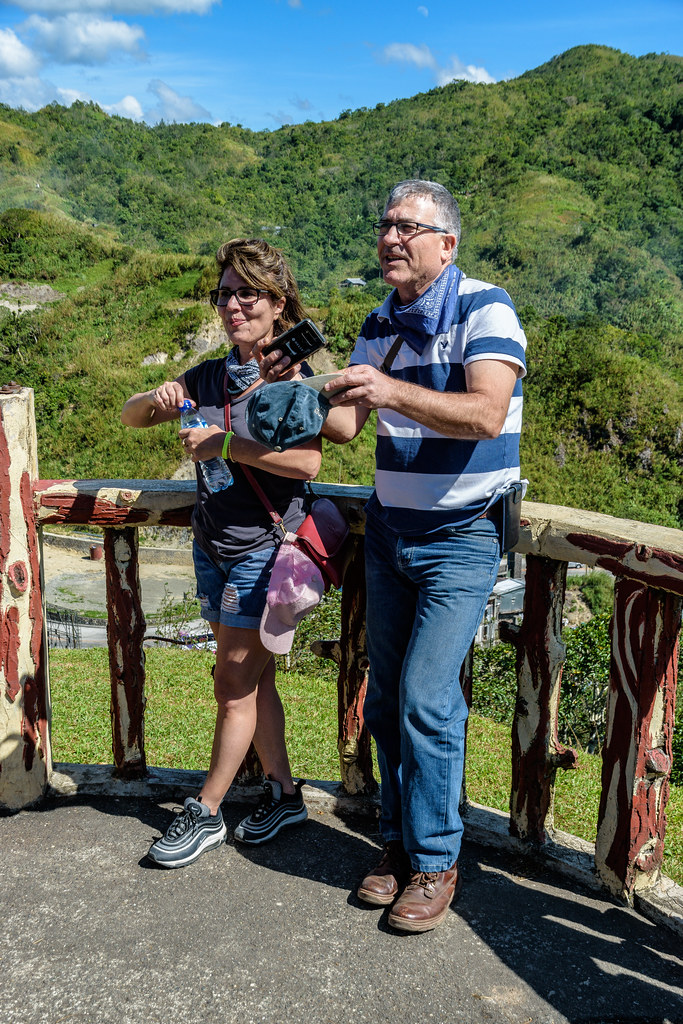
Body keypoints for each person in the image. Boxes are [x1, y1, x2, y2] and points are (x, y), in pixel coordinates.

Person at [260, 180, 526, 932]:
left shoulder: (485, 307)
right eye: (383, 226)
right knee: (381, 702)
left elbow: (484, 412)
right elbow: (346, 427)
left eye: (406, 227)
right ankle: (397, 846)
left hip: (462, 533)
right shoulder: (379, 323)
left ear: (446, 243)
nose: (389, 238)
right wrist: (308, 387)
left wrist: (388, 389)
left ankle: (436, 863)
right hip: (388, 531)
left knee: (425, 700)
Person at [121, 238, 321, 868]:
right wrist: (157, 399)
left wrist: (225, 445)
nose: (234, 305)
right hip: (216, 544)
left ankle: (206, 811)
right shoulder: (208, 374)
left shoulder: (291, 377)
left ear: (278, 301)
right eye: (226, 293)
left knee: (231, 681)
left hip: (266, 545)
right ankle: (286, 793)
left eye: (248, 293)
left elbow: (308, 461)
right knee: (250, 678)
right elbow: (130, 418)